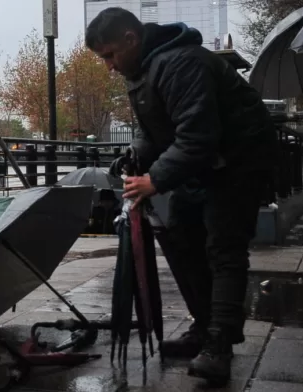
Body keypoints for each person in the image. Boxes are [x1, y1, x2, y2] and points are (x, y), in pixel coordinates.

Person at [85, 8, 278, 384]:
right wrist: (136, 154)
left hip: (240, 159)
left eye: (110, 55)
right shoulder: (143, 70)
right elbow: (157, 131)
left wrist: (154, 179)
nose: (108, 66)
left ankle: (218, 346)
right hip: (206, 161)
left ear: (131, 39)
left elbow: (196, 136)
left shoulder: (180, 63)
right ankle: (205, 328)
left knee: (224, 246)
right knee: (179, 235)